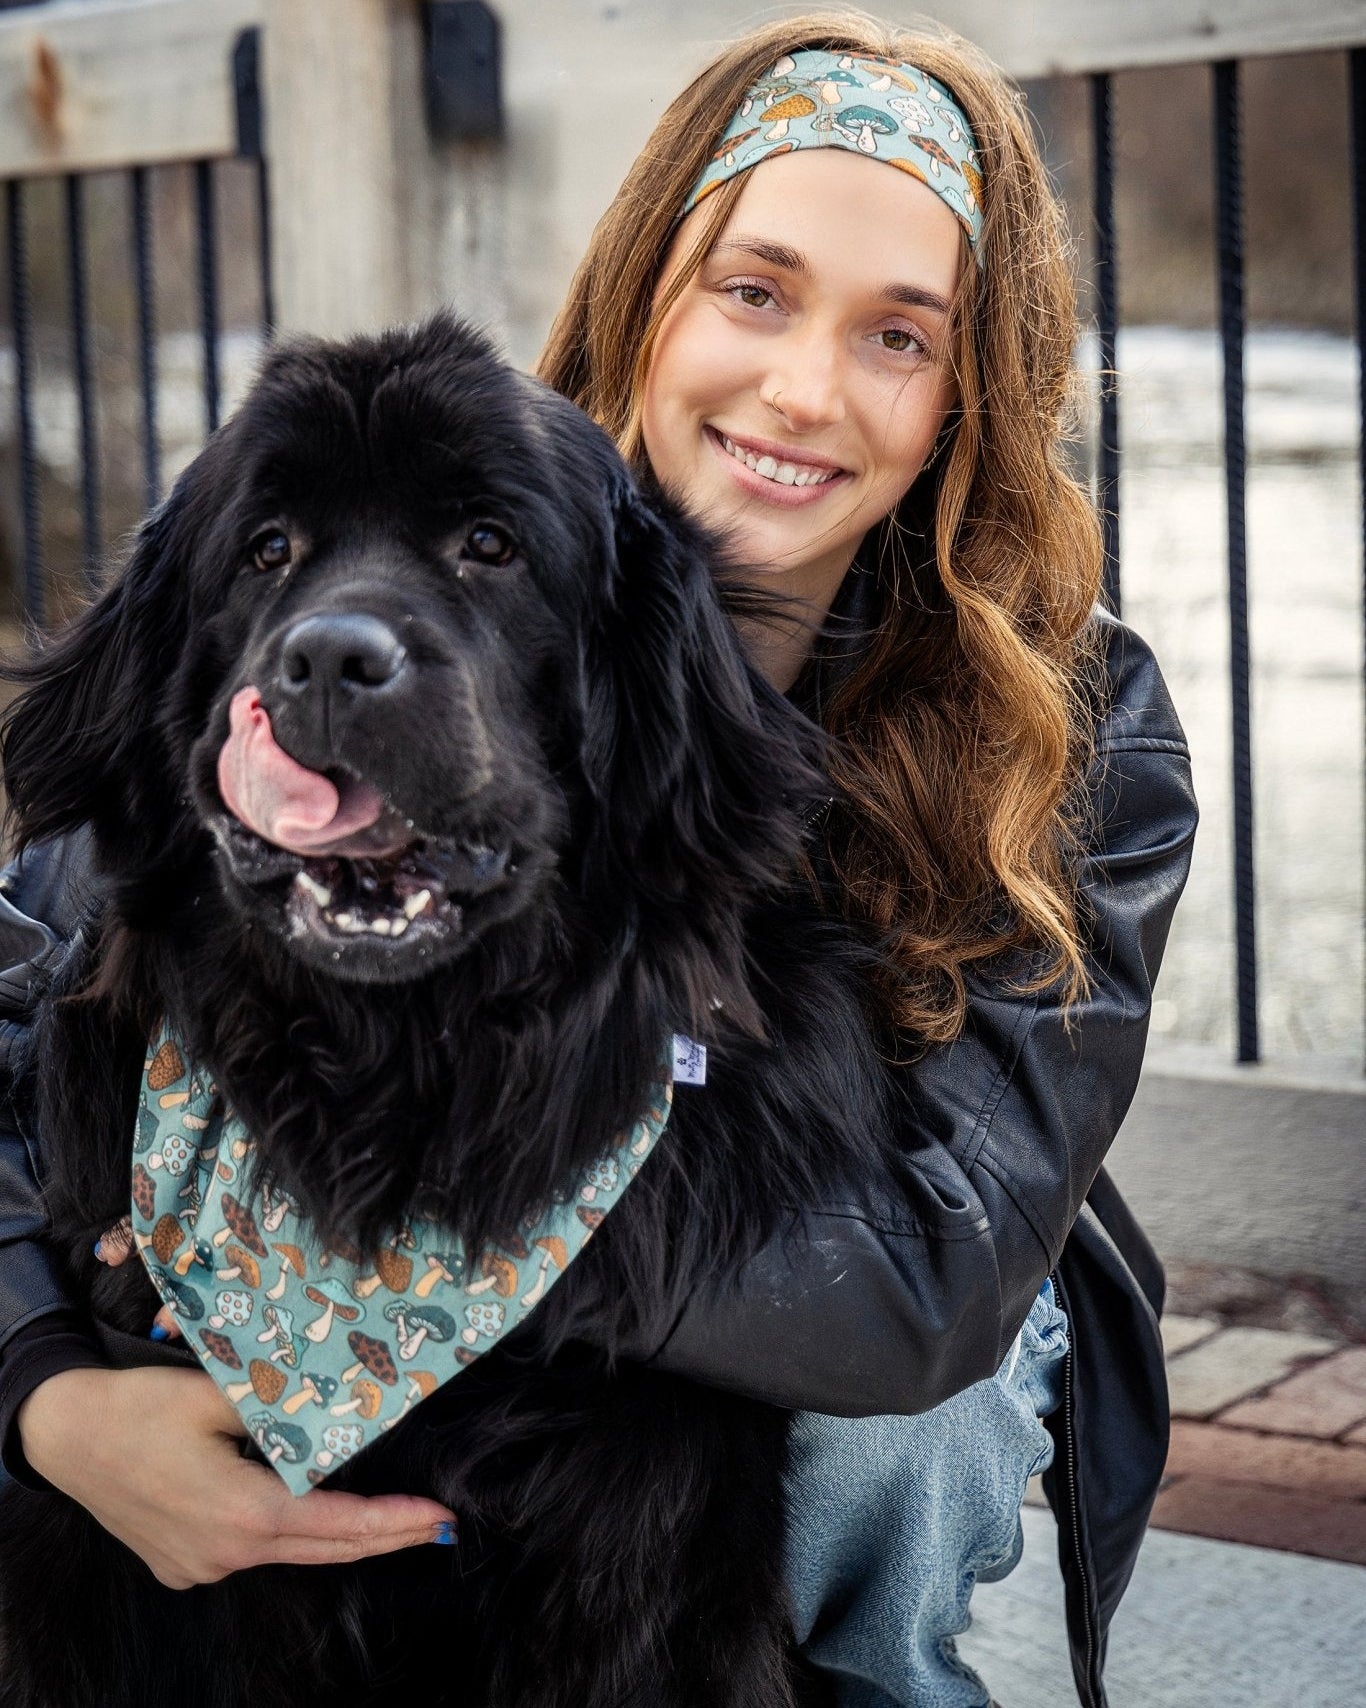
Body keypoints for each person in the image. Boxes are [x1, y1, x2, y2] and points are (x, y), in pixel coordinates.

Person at [0, 13, 1196, 1708]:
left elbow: (920, 1284)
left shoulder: (1080, 725)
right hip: (398, 1304)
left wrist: (407, 1180)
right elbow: (33, 959)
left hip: (844, 1293)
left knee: (899, 1441)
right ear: (651, 297)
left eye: (897, 335)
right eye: (754, 290)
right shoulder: (465, 487)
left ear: (966, 394)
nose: (800, 386)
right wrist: (48, 1391)